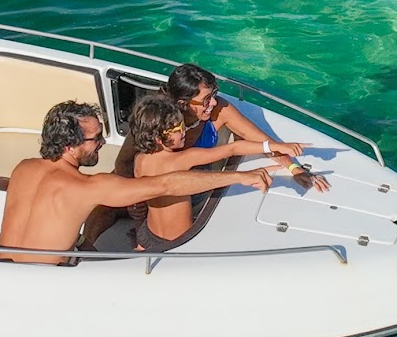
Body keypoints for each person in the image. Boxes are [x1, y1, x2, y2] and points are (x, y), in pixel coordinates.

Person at [0, 101, 271, 264]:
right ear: (70, 145)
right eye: (96, 139)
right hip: (46, 282)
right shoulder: (86, 186)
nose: (103, 144)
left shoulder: (23, 169)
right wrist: (239, 176)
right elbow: (165, 185)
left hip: (0, 268)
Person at [103, 95, 320, 252]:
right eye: (177, 129)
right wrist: (277, 147)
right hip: (177, 241)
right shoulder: (181, 159)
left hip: (147, 235)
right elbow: (233, 148)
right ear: (159, 138)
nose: (184, 131)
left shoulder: (141, 158)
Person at [165, 63, 272, 152]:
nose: (214, 102)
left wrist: (289, 166)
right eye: (206, 99)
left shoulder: (219, 109)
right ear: (183, 104)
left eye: (213, 93)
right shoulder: (162, 128)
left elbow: (260, 139)